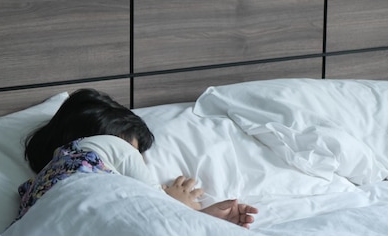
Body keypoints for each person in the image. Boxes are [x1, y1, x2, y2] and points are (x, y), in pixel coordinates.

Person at [18, 88, 258, 227]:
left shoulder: (34, 189)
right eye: (135, 154)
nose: (140, 163)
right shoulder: (108, 149)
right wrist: (180, 206)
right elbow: (158, 219)